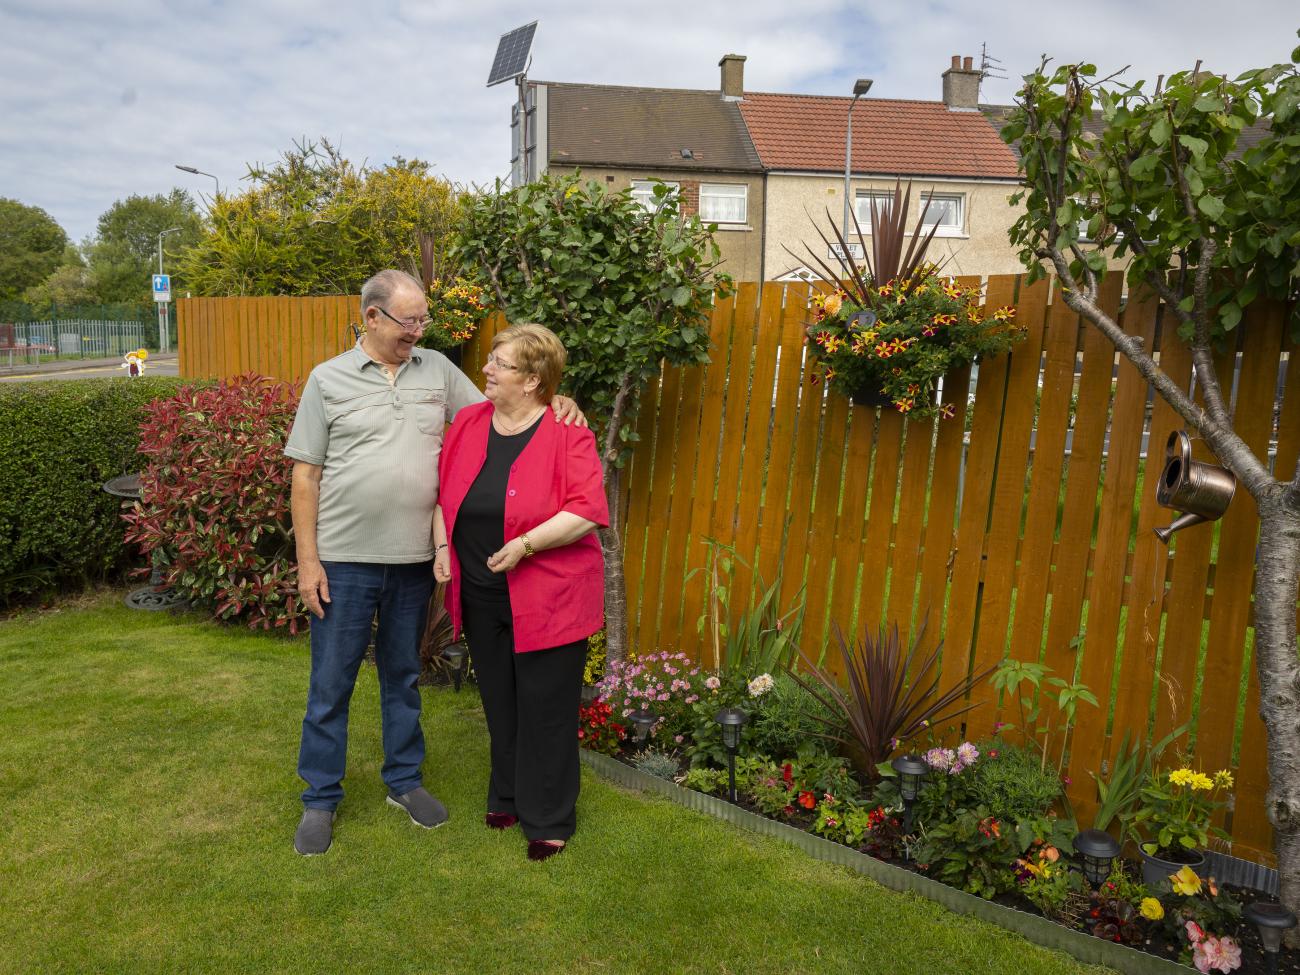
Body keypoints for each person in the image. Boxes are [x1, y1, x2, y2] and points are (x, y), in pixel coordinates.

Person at [285, 270, 584, 856]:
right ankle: (320, 798)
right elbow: (306, 475)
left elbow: (509, 413)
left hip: (413, 561)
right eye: (409, 321)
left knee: (402, 677)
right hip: (344, 560)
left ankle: (404, 781)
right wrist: (308, 561)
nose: (419, 331)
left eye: (423, 320)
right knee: (330, 684)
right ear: (372, 318)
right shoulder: (328, 380)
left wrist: (559, 400)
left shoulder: (438, 371)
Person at [433, 323, 608, 862]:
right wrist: (443, 546)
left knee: (546, 708)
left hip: (549, 598)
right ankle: (506, 793)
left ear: (533, 380)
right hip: (482, 594)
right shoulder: (468, 422)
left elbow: (585, 510)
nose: (486, 368)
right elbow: (444, 493)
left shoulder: (567, 432)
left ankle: (550, 816)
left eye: (500, 363)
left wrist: (527, 544)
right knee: (501, 701)